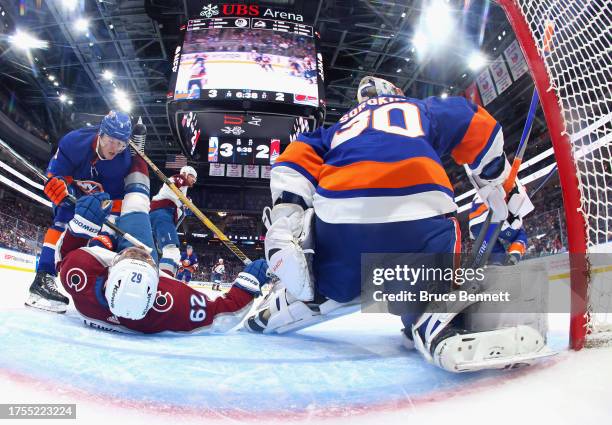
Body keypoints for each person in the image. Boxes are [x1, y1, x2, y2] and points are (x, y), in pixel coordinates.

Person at [245, 75, 549, 372]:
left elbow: (291, 160)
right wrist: (497, 181)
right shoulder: (422, 109)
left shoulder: (336, 129)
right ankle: (429, 314)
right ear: (397, 93)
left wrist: (288, 214)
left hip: (343, 223)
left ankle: (303, 293)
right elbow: (475, 123)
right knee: (428, 272)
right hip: (418, 221)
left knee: (331, 275)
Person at [55, 153, 269, 334]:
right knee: (152, 229)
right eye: (145, 260)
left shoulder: (81, 272)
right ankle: (134, 162)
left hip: (118, 248)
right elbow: (221, 317)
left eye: (130, 256)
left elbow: (63, 257)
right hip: (161, 215)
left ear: (110, 272)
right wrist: (247, 284)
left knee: (114, 229)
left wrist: (80, 227)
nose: (136, 252)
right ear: (156, 285)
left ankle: (111, 226)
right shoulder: (171, 303)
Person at [26, 111, 133, 313]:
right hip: (72, 187)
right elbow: (54, 175)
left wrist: (107, 223)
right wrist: (54, 184)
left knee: (95, 235)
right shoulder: (74, 142)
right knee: (63, 217)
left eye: (121, 144)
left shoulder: (122, 162)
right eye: (111, 141)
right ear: (101, 134)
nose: (115, 149)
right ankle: (43, 277)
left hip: (97, 199)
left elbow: (115, 201)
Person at [469, 181, 534, 265]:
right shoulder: (509, 183)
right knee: (520, 233)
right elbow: (515, 199)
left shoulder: (485, 187)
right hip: (492, 217)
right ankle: (515, 254)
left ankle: (498, 266)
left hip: (475, 227)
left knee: (497, 255)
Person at [150, 165, 197, 276]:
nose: (194, 180)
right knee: (172, 252)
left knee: (153, 252)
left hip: (158, 216)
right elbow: (177, 180)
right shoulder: (178, 179)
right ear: (186, 173)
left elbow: (180, 214)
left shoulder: (181, 193)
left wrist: (185, 205)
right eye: (192, 177)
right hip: (162, 214)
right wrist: (185, 202)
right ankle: (165, 282)